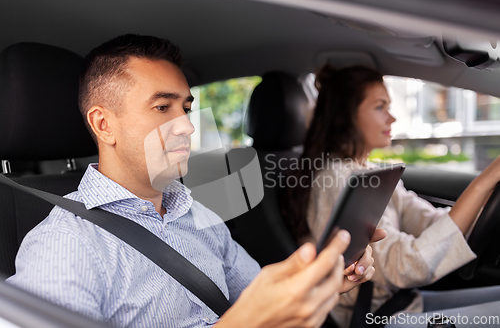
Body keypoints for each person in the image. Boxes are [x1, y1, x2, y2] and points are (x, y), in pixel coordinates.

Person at [6, 35, 382, 328]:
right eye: (162, 107)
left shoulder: (198, 213)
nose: (187, 125)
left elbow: (262, 298)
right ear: (104, 125)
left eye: (186, 108)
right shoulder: (65, 245)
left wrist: (325, 279)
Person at [282, 64, 500, 328]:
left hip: (402, 304)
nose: (392, 118)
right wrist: (484, 182)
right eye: (380, 107)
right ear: (346, 115)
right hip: (373, 318)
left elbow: (431, 221)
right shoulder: (337, 179)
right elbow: (409, 264)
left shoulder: (368, 172)